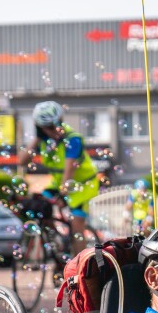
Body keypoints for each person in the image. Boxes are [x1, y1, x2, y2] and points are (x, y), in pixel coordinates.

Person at [21, 101, 101, 253]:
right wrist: (37, 138)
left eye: (55, 125)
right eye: (48, 127)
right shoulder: (44, 141)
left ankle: (79, 267)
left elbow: (69, 170)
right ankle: (57, 243)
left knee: (77, 225)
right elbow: (22, 160)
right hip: (59, 183)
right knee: (39, 205)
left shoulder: (73, 139)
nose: (53, 130)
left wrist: (62, 196)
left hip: (82, 186)